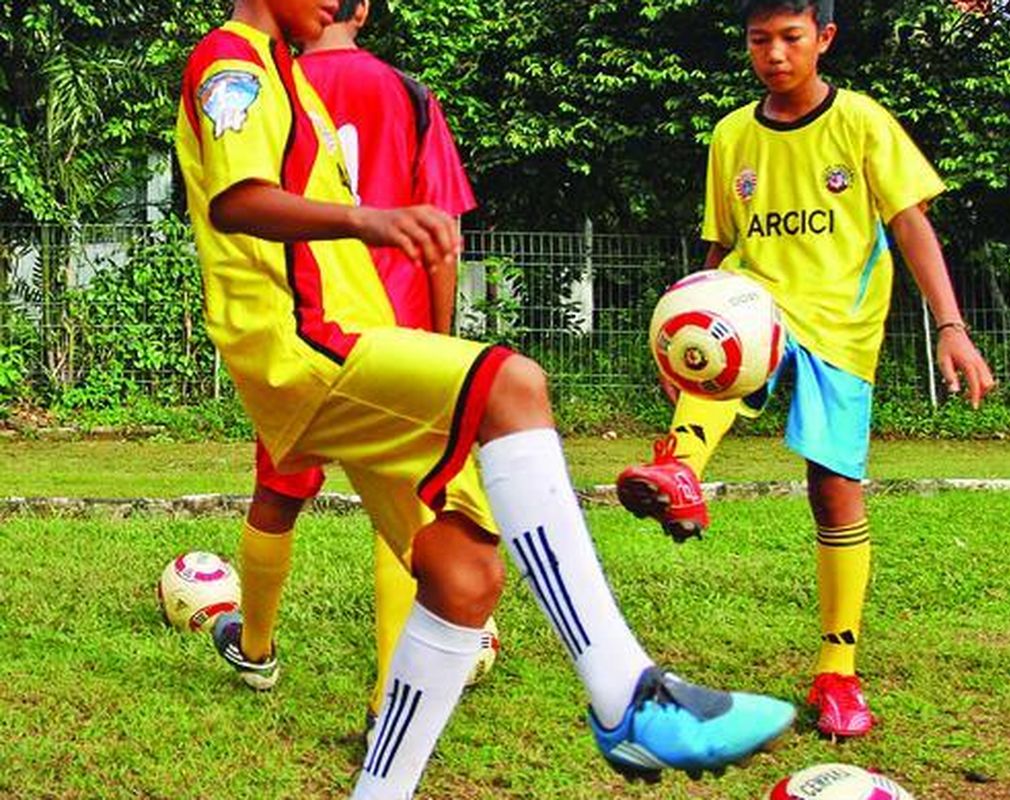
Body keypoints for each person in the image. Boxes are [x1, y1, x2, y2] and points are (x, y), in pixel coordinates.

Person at [174, 0, 796, 796]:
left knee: (464, 572)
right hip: (302, 346)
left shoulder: (292, 74)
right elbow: (237, 199)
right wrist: (373, 220)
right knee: (514, 382)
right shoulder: (232, 60)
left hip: (350, 340)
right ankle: (625, 693)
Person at [615, 0, 995, 739]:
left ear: (823, 38)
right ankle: (682, 470)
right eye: (761, 40)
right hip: (757, 306)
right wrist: (684, 343)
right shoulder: (731, 134)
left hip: (843, 325)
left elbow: (911, 222)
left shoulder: (860, 121)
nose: (775, 54)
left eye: (791, 38)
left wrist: (951, 326)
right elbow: (718, 251)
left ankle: (837, 671)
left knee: (833, 491)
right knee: (727, 340)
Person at [209, 0, 480, 742]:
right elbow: (442, 226)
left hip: (305, 326)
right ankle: (397, 691)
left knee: (281, 487)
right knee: (426, 508)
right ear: (366, 11)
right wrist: (441, 334)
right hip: (378, 330)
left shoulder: (287, 76)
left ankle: (257, 645)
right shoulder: (405, 93)